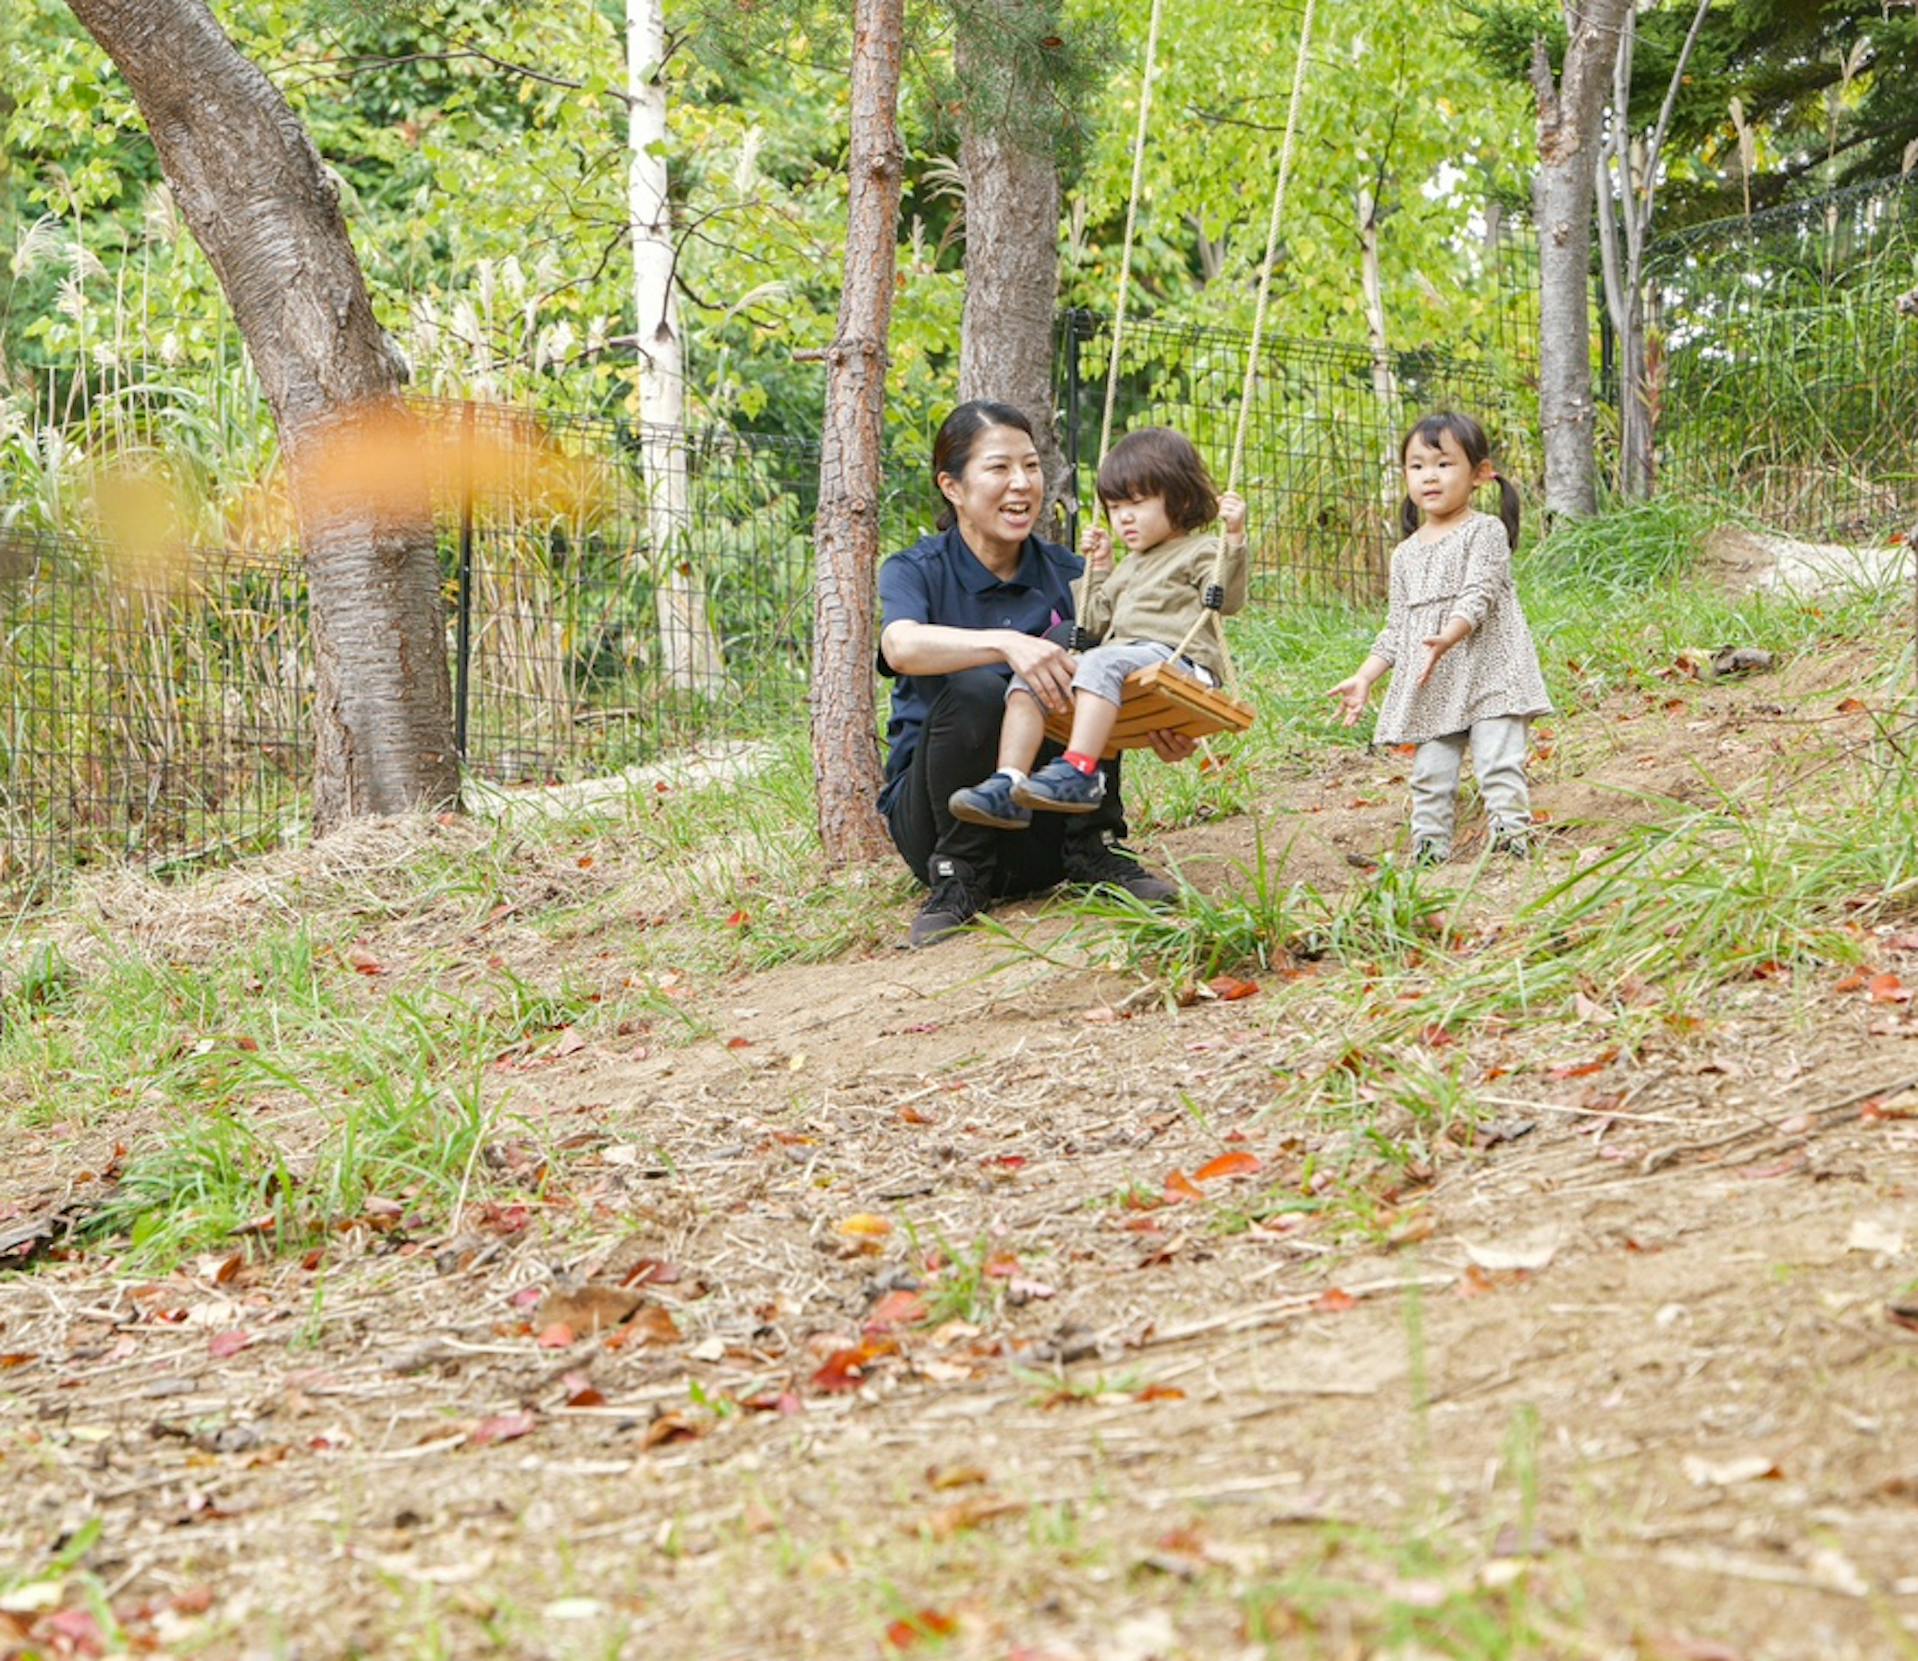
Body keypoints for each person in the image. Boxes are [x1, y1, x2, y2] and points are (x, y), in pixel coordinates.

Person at [878, 402, 1193, 948]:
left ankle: (1092, 848)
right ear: (952, 487)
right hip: (935, 826)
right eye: (999, 468)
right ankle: (960, 878)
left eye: (1031, 466)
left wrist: (1158, 725)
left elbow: (1129, 664)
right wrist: (1005, 645)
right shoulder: (916, 569)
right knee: (980, 686)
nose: (1021, 484)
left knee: (1090, 656)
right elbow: (900, 646)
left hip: (1042, 826)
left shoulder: (1072, 573)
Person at [948, 426, 1247, 825]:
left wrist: (1235, 537)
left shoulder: (1201, 550)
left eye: (1137, 504)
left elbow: (1226, 599)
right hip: (1126, 660)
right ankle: (1009, 783)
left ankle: (1081, 771)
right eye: (1115, 507)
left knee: (1103, 662)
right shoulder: (1129, 566)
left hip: (1179, 660)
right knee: (1035, 677)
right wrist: (1101, 570)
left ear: (1182, 498)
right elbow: (1091, 628)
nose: (1123, 517)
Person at [1327, 411, 1552, 863]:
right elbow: (1397, 629)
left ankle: (1513, 845)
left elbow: (1479, 594)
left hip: (1493, 670)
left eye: (1444, 463)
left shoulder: (1484, 531)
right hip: (1437, 683)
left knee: (1497, 763)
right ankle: (1430, 853)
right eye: (1417, 465)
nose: (1429, 476)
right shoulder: (1405, 554)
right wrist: (1366, 676)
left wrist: (1448, 635)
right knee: (1430, 774)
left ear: (1480, 475)